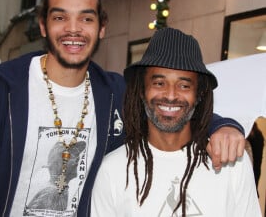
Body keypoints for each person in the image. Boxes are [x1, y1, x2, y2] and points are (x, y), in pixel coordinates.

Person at [0, 0, 245, 217]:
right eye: (60, 17)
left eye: (86, 18)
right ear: (42, 26)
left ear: (102, 28)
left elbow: (172, 107)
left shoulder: (114, 93)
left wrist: (224, 127)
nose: (73, 29)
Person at [91, 27, 261, 217]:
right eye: (159, 83)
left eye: (184, 85)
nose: (171, 95)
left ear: (199, 94)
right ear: (141, 90)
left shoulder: (231, 162)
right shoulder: (112, 170)